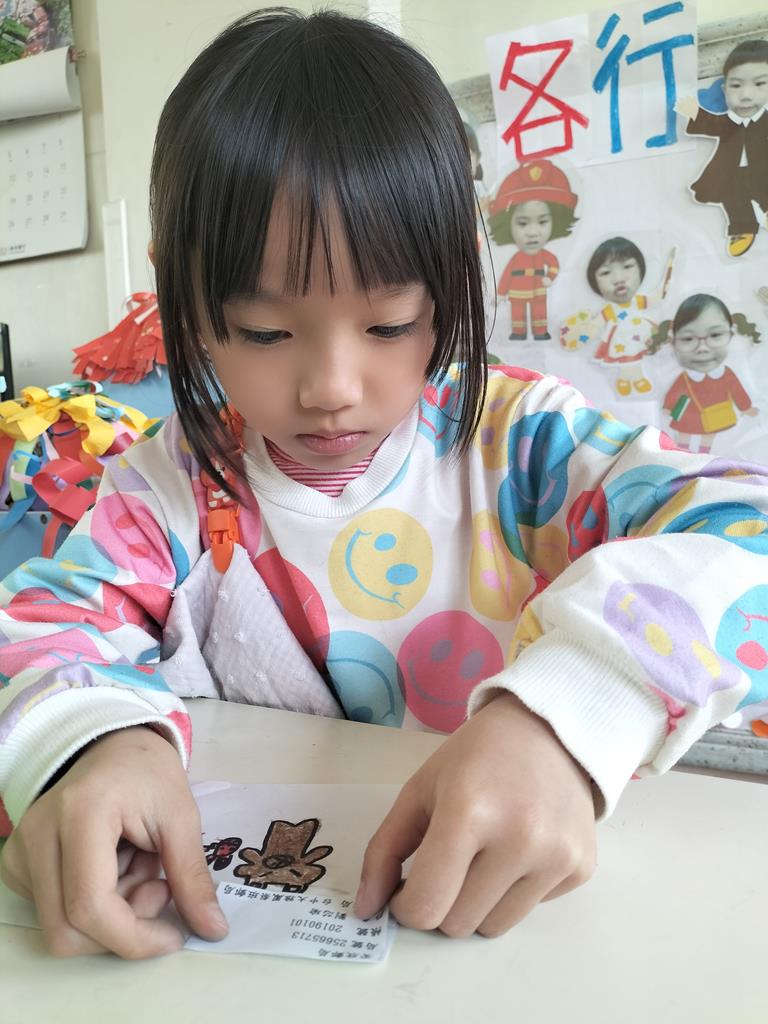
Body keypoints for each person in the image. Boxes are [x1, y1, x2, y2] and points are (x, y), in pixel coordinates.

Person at [1, 8, 767, 961]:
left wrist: (576, 714)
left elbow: (746, 531)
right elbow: (44, 623)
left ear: (451, 286)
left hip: (514, 941)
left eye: (391, 323)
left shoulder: (525, 445)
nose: (331, 388)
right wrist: (88, 744)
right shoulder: (167, 485)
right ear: (183, 304)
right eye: (265, 331)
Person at [676, 39, 768, 258]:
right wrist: (693, 111)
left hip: (762, 170)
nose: (746, 95)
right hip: (730, 173)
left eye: (759, 84)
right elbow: (710, 124)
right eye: (736, 86)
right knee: (732, 197)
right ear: (724, 89)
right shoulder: (727, 123)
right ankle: (742, 227)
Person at [650, 293, 761, 452]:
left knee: (709, 436)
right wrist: (668, 407)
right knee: (684, 435)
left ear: (731, 334)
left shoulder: (727, 374)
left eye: (715, 335)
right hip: (688, 414)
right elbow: (675, 392)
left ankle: (704, 455)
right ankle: (682, 455)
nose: (702, 348)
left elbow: (737, 391)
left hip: (716, 415)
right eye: (688, 339)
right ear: (673, 341)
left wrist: (746, 408)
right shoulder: (685, 378)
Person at [488, 160, 578, 340]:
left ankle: (540, 331)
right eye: (522, 223)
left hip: (538, 288)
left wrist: (549, 277)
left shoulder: (545, 255)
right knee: (518, 313)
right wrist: (501, 294)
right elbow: (506, 275)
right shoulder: (516, 258)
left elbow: (553, 264)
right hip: (517, 290)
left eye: (543, 222)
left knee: (539, 312)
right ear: (507, 224)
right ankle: (518, 332)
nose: (533, 232)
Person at [585, 237, 673, 398]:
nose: (618, 278)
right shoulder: (609, 310)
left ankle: (638, 378)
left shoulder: (638, 301)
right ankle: (624, 379)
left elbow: (658, 298)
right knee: (625, 358)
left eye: (627, 266)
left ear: (641, 269)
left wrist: (667, 277)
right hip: (620, 339)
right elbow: (595, 325)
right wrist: (584, 333)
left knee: (636, 355)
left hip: (641, 333)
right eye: (606, 272)